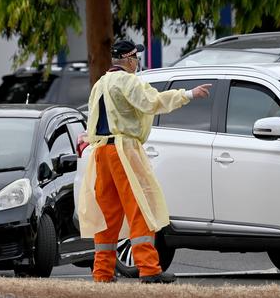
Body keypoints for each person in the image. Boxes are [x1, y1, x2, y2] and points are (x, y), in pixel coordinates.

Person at [77, 39, 211, 283]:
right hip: (124, 151)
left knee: (108, 216)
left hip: (101, 155)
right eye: (136, 57)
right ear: (128, 59)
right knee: (140, 208)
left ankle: (103, 272)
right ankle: (149, 269)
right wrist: (189, 94)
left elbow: (93, 120)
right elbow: (152, 102)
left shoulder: (100, 84)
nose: (137, 62)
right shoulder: (128, 81)